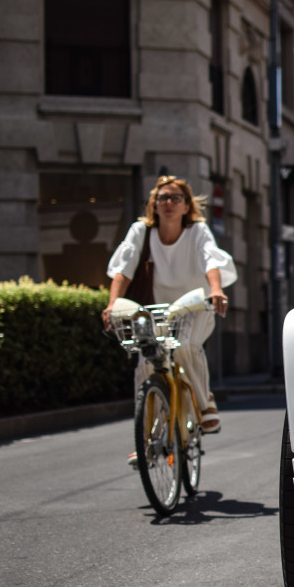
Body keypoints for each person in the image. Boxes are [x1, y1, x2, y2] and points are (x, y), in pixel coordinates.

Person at [102, 175, 236, 435]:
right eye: (162, 198)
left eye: (176, 198)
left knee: (185, 345)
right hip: (158, 312)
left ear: (187, 206)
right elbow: (123, 270)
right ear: (153, 204)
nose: (169, 203)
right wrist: (112, 305)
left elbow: (210, 260)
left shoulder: (197, 230)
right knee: (146, 363)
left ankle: (203, 401)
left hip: (196, 307)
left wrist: (216, 290)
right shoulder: (141, 231)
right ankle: (148, 438)